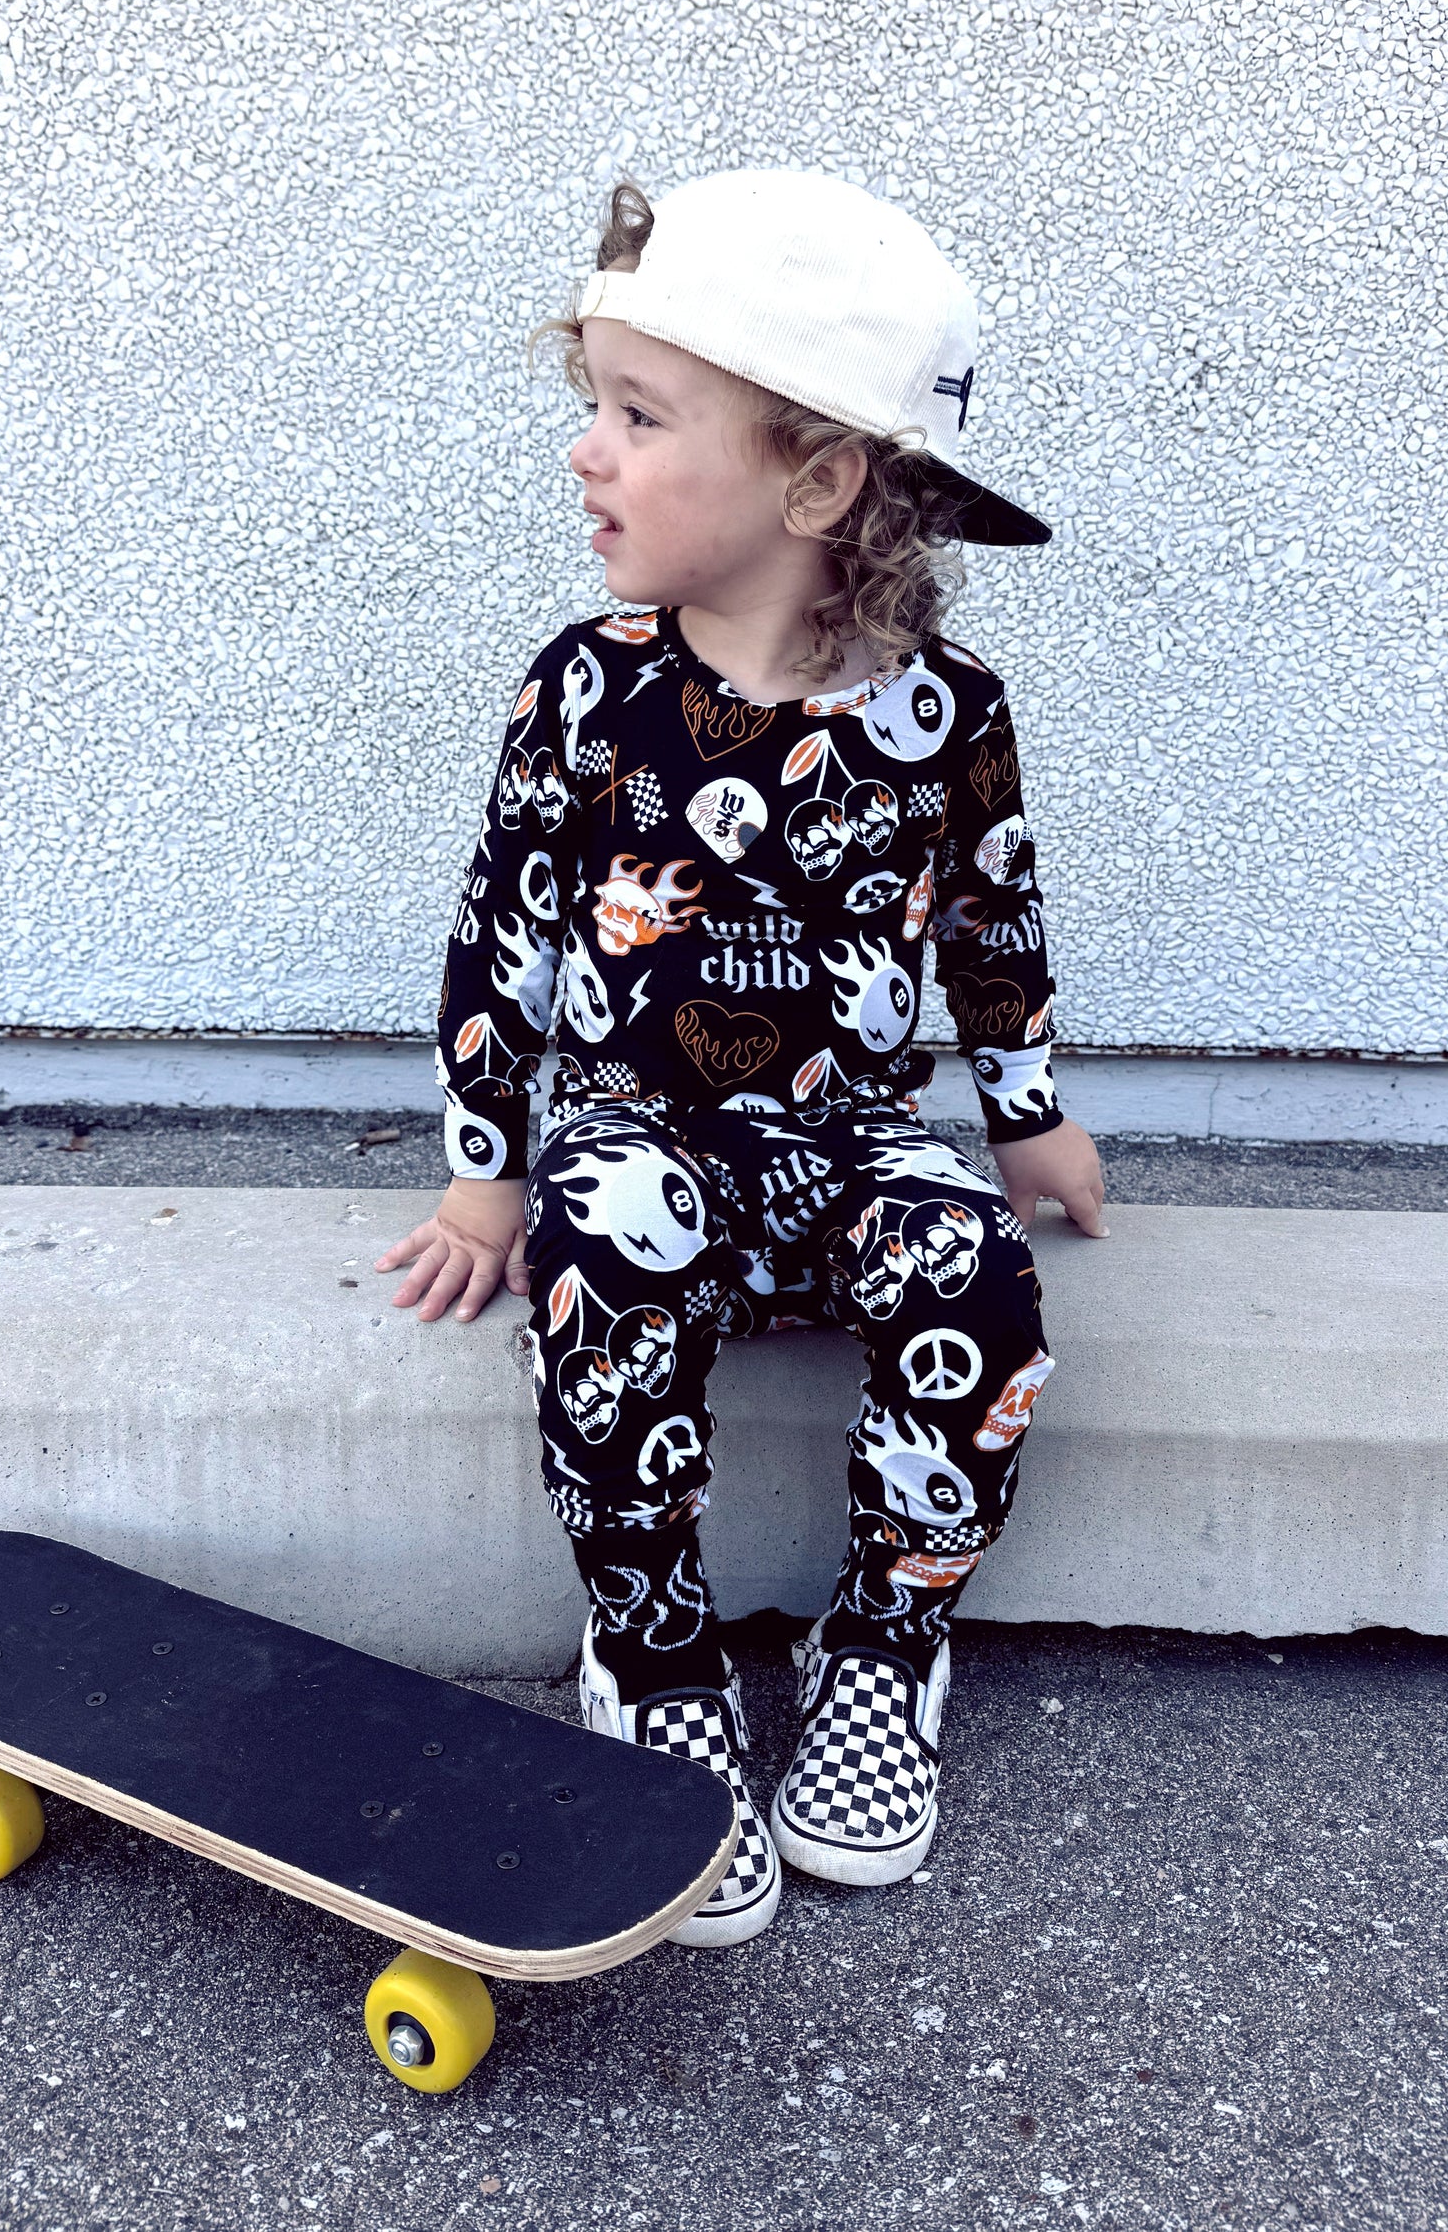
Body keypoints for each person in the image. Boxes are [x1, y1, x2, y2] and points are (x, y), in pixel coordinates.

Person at [377, 169, 1106, 1946]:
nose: (587, 454)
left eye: (640, 417)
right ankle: (651, 1654)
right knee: (608, 1250)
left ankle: (884, 1647)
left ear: (816, 480)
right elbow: (505, 933)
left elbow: (991, 916)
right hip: (643, 1133)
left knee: (977, 1278)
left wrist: (1026, 1119)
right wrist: (484, 1174)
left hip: (852, 1140)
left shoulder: (947, 712)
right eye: (596, 408)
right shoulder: (586, 688)